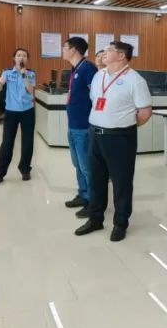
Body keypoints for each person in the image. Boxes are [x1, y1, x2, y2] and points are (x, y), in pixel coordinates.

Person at [74, 41, 153, 242]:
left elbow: (144, 112)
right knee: (96, 179)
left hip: (120, 137)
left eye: (109, 50)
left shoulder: (135, 80)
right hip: (95, 134)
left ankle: (120, 223)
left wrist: (124, 125)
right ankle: (95, 219)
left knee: (121, 182)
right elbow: (95, 101)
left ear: (121, 55)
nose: (103, 53)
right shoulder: (99, 75)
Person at [62, 37, 97, 216]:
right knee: (78, 165)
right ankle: (83, 194)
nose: (63, 50)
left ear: (74, 49)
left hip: (84, 125)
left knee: (86, 167)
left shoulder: (88, 68)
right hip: (73, 124)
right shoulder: (75, 68)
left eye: (65, 47)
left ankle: (93, 201)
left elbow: (96, 94)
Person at [0, 48, 37, 186]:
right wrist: (0, 83)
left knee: (28, 141)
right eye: (18, 55)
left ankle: (25, 169)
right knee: (7, 142)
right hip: (11, 112)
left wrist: (24, 76)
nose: (21, 57)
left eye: (24, 56)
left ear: (27, 59)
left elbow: (30, 90)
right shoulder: (7, 73)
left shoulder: (30, 73)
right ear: (14, 58)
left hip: (27, 111)